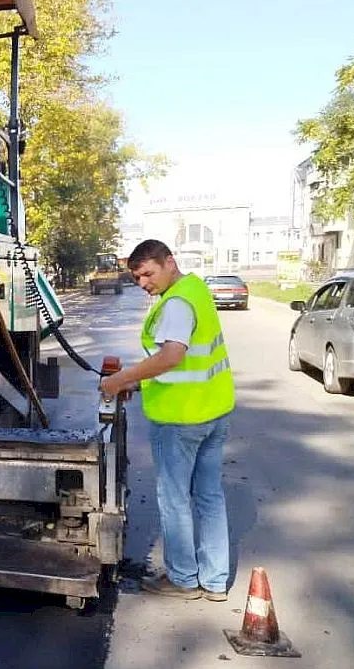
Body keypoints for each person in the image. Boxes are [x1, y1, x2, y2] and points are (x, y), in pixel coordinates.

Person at [100, 239, 235, 601]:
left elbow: (173, 356)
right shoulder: (195, 289)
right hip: (213, 411)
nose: (144, 283)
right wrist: (145, 382)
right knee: (209, 496)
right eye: (138, 277)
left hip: (181, 419)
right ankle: (215, 580)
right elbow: (189, 363)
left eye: (148, 273)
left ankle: (183, 579)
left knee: (175, 498)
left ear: (169, 262)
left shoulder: (175, 303)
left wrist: (121, 379)